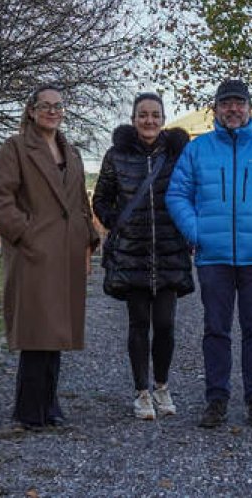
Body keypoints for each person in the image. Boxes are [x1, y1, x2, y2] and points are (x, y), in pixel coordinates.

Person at [166, 78, 252, 429]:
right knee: (216, 330)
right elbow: (177, 194)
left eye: (239, 103)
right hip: (214, 256)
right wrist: (196, 232)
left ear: (249, 108)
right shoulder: (198, 149)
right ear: (217, 109)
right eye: (226, 103)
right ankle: (217, 399)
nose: (233, 109)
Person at [0, 84, 99, 430]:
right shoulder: (15, 148)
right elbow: (1, 199)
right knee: (38, 332)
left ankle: (49, 405)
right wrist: (26, 234)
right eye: (45, 105)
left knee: (56, 334)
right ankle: (28, 409)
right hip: (34, 253)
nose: (52, 111)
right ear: (31, 111)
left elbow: (80, 201)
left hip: (65, 252)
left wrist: (88, 239)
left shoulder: (72, 152)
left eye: (58, 106)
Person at [92, 92, 194, 421]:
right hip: (132, 253)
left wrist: (185, 227)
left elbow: (193, 193)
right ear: (134, 118)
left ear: (163, 119)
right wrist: (116, 223)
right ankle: (141, 392)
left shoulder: (178, 154)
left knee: (165, 325)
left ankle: (162, 385)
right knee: (139, 324)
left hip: (168, 250)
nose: (148, 120)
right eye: (142, 114)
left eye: (154, 114)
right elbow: (101, 198)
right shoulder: (116, 155)